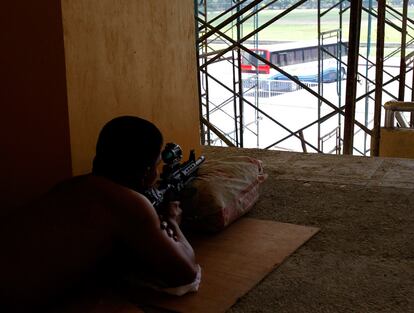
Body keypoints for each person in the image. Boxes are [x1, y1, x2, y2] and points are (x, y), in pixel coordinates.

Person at [0, 116, 200, 312]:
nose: (157, 174)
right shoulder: (129, 204)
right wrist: (173, 221)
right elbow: (186, 274)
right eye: (156, 165)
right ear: (146, 170)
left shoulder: (70, 186)